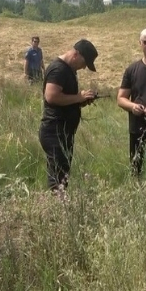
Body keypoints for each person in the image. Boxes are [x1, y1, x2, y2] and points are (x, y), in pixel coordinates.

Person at [39, 39, 99, 192]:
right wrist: (78, 97)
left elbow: (65, 99)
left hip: (64, 131)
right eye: (84, 63)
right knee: (57, 177)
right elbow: (51, 96)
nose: (84, 67)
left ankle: (60, 201)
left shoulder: (68, 70)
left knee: (62, 175)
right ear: (76, 54)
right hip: (55, 130)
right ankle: (58, 203)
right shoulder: (59, 69)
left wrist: (80, 101)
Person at [117, 28, 146, 178]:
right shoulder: (132, 69)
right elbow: (121, 98)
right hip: (137, 125)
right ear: (140, 43)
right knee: (135, 166)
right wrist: (132, 106)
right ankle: (136, 188)